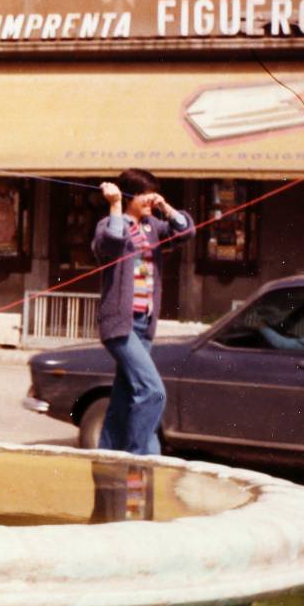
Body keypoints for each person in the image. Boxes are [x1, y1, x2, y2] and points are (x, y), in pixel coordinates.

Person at [92, 169, 194, 456]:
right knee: (152, 392)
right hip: (120, 326)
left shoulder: (153, 228)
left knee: (123, 399)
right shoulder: (109, 224)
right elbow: (110, 245)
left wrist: (165, 207)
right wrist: (113, 206)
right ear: (128, 197)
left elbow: (185, 231)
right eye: (144, 193)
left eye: (153, 192)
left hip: (143, 325)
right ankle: (140, 460)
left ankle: (106, 458)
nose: (149, 198)